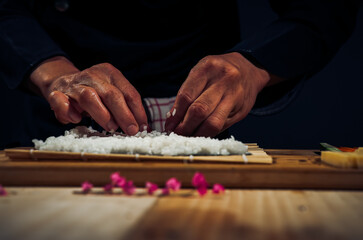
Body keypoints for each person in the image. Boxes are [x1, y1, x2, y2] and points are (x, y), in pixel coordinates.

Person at [0, 0, 358, 146]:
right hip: (66, 114)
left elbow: (326, 7)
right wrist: (53, 73)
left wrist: (254, 64)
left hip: (196, 120)